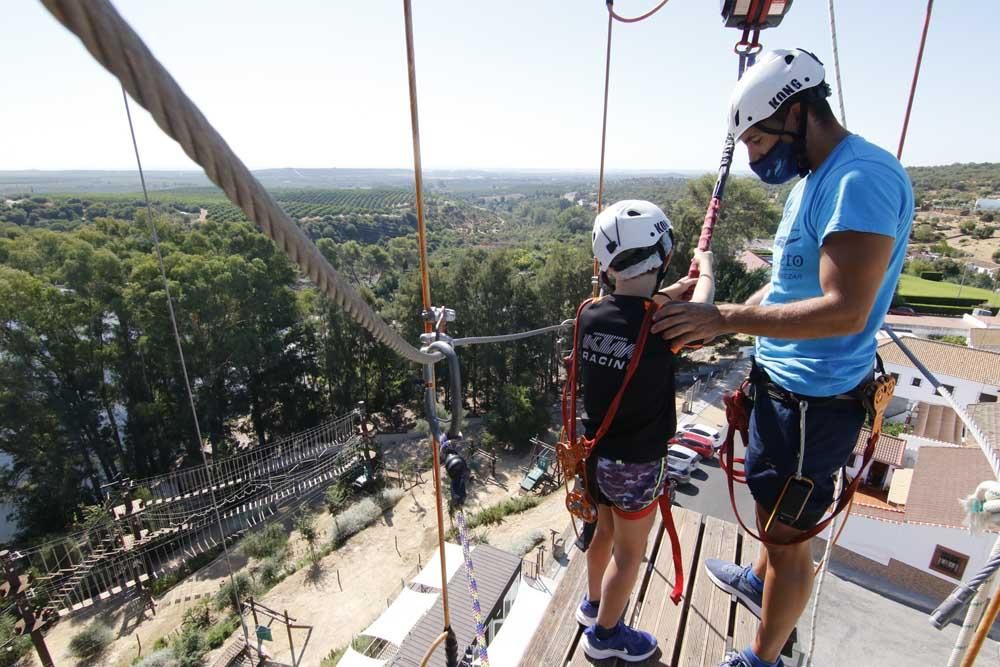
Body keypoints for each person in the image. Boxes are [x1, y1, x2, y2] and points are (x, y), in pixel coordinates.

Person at [650, 49, 914, 667]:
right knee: (775, 521)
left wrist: (726, 320)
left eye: (760, 140)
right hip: (785, 385)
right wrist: (716, 312)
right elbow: (791, 288)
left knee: (791, 540)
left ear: (797, 113)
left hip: (814, 402)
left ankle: (763, 657)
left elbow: (846, 308)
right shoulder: (815, 183)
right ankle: (759, 582)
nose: (756, 157)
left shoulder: (860, 180)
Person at [575, 199, 715, 662]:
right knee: (629, 555)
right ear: (663, 254)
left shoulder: (590, 314)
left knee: (603, 534)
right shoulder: (662, 327)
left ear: (606, 263)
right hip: (635, 463)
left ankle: (593, 606)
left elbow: (636, 307)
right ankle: (606, 635)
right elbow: (702, 317)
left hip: (597, 457)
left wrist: (676, 287)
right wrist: (707, 273)